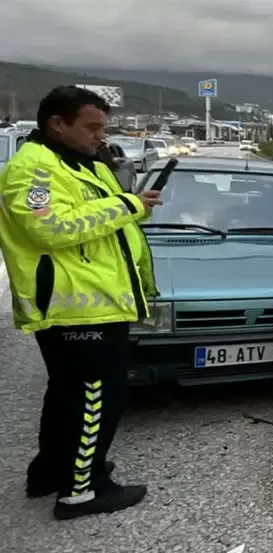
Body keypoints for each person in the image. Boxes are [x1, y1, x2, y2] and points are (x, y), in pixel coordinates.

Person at [0, 85, 159, 519]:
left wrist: (133, 206)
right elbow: (48, 228)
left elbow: (107, 216)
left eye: (102, 127)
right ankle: (83, 490)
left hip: (95, 302)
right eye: (91, 127)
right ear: (57, 123)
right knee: (96, 398)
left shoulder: (81, 163)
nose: (100, 135)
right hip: (76, 306)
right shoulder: (34, 169)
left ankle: (54, 470)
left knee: (67, 394)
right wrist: (128, 205)